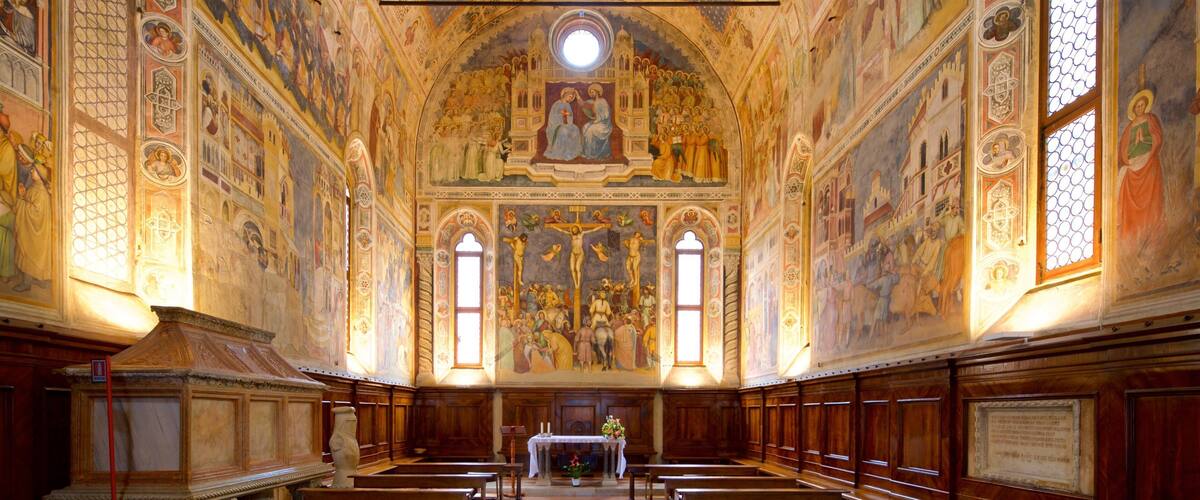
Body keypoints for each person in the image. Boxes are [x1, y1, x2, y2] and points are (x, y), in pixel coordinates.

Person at [1116, 89, 1164, 244]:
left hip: (1148, 160)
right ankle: (1127, 231)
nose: (1140, 108)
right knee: (1123, 174)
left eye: (1142, 105)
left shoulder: (1151, 119)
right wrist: (1132, 150)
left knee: (1151, 196)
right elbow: (1123, 149)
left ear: (1146, 106)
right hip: (1133, 162)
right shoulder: (1130, 127)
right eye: (1137, 106)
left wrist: (1145, 140)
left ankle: (1151, 232)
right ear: (1134, 108)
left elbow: (1157, 137)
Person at [545, 87, 582, 161]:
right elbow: (553, 116)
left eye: (571, 97)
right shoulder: (557, 104)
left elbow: (570, 115)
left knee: (575, 129)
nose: (570, 98)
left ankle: (572, 151)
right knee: (564, 131)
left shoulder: (568, 105)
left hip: (566, 124)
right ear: (565, 95)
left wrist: (568, 117)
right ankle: (562, 152)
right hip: (556, 125)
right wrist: (562, 114)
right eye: (570, 96)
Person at [581, 84, 613, 160]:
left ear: (597, 91)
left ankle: (594, 153)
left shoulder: (603, 101)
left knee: (590, 130)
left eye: (592, 92)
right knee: (585, 127)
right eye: (590, 92)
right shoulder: (594, 102)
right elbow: (591, 112)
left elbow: (606, 115)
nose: (591, 94)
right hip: (597, 122)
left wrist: (597, 120)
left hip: (604, 124)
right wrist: (594, 120)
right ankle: (587, 152)